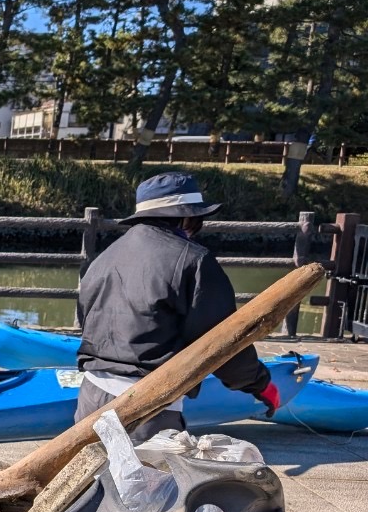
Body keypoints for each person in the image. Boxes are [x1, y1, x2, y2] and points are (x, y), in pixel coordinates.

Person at [75, 172, 280, 443]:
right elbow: (222, 342)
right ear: (186, 217)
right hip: (148, 403)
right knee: (153, 484)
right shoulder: (194, 261)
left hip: (90, 395)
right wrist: (261, 384)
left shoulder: (105, 256)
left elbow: (85, 319)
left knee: (90, 482)